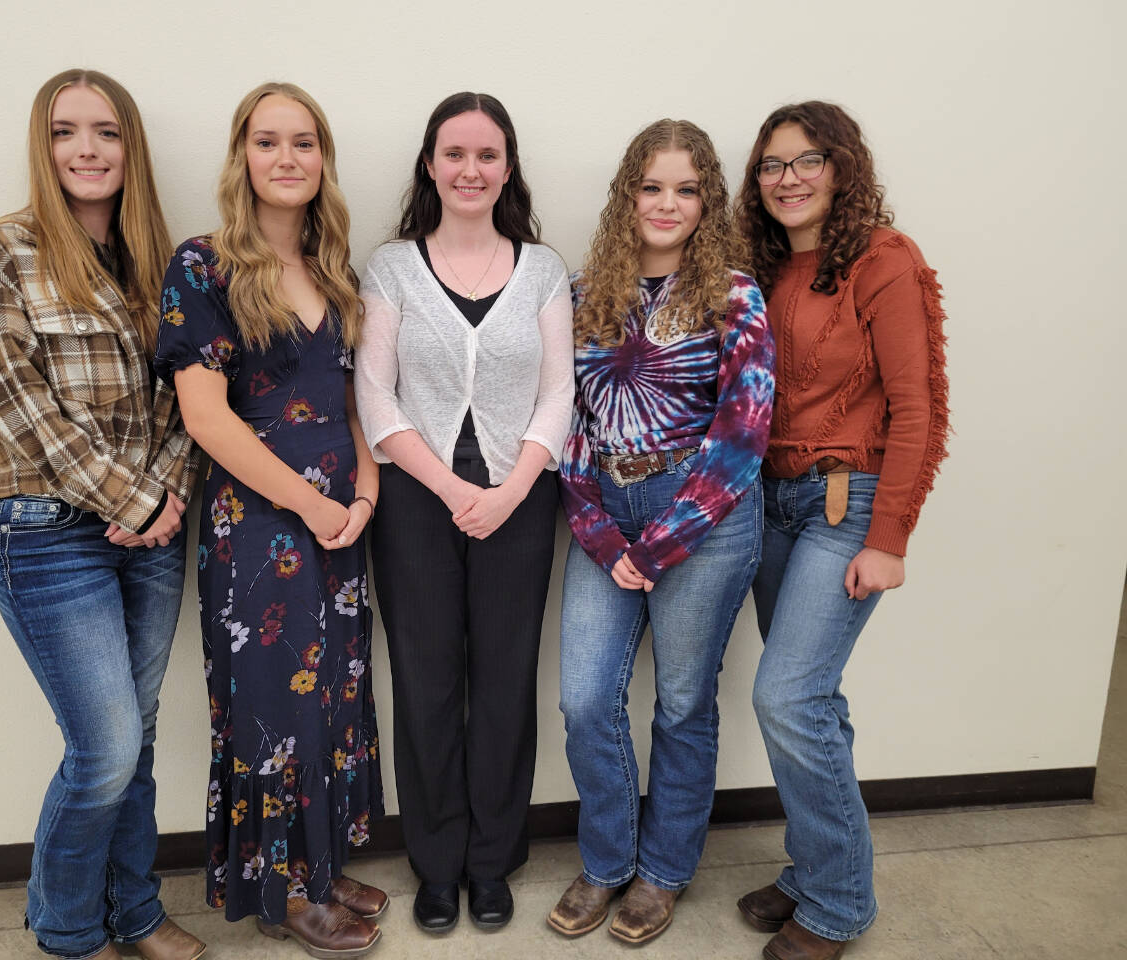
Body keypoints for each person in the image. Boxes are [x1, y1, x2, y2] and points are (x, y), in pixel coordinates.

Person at [0, 69, 203, 960]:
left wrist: (165, 499)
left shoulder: (161, 265)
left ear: (131, 148)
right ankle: (65, 929)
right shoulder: (1, 255)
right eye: (65, 132)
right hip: (47, 533)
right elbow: (18, 408)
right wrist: (133, 499)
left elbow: (189, 400)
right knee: (105, 750)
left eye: (106, 133)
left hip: (155, 536)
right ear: (42, 146)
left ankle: (134, 911)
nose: (86, 150)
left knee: (140, 737)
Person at [154, 82, 384, 959]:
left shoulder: (336, 269)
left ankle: (321, 865)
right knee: (268, 709)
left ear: (323, 158)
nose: (286, 158)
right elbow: (207, 420)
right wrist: (316, 503)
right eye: (267, 141)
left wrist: (362, 494)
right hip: (258, 530)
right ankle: (283, 890)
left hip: (339, 523)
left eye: (304, 142)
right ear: (241, 156)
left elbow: (352, 403)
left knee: (332, 698)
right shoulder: (204, 266)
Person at [547, 120, 774, 946]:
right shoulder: (582, 294)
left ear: (707, 201)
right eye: (651, 186)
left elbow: (745, 431)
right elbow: (565, 419)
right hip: (604, 512)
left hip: (704, 518)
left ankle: (663, 872)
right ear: (626, 196)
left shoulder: (735, 294)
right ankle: (606, 862)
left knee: (682, 703)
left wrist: (665, 540)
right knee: (583, 699)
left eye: (686, 189)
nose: (667, 204)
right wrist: (605, 537)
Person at [354, 92, 573, 934]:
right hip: (415, 496)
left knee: (508, 677)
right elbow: (373, 391)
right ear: (430, 164)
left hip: (522, 494)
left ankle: (493, 861)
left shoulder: (544, 268)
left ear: (507, 166)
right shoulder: (392, 268)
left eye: (487, 154)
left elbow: (560, 391)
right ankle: (437, 865)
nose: (470, 170)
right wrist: (452, 490)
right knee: (427, 676)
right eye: (454, 153)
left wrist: (511, 490)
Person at [734, 101, 949, 960]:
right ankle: (817, 865)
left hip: (842, 506)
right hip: (772, 506)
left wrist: (889, 537)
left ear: (842, 166)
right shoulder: (766, 268)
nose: (787, 179)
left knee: (785, 696)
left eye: (806, 161)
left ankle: (837, 904)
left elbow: (918, 406)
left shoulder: (883, 261)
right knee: (810, 700)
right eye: (772, 166)